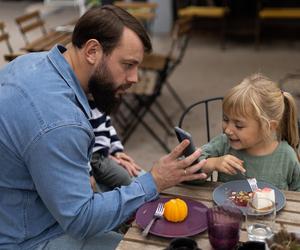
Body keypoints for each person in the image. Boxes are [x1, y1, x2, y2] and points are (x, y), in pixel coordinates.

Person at [0, 5, 207, 250]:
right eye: (128, 65)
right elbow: (81, 219)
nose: (134, 78)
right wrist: (154, 180)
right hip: (30, 239)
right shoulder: (61, 122)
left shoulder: (30, 63)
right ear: (92, 51)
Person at [200, 73, 300, 191]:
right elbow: (185, 170)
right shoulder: (223, 144)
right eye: (225, 119)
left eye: (239, 125)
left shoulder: (286, 156)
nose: (227, 130)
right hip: (225, 209)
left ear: (269, 127)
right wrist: (212, 163)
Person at [88, 99, 142, 190]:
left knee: (134, 175)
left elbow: (108, 128)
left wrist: (117, 151)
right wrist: (88, 172)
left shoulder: (99, 103)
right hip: (94, 159)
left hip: (104, 155)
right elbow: (80, 147)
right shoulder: (83, 108)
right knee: (126, 179)